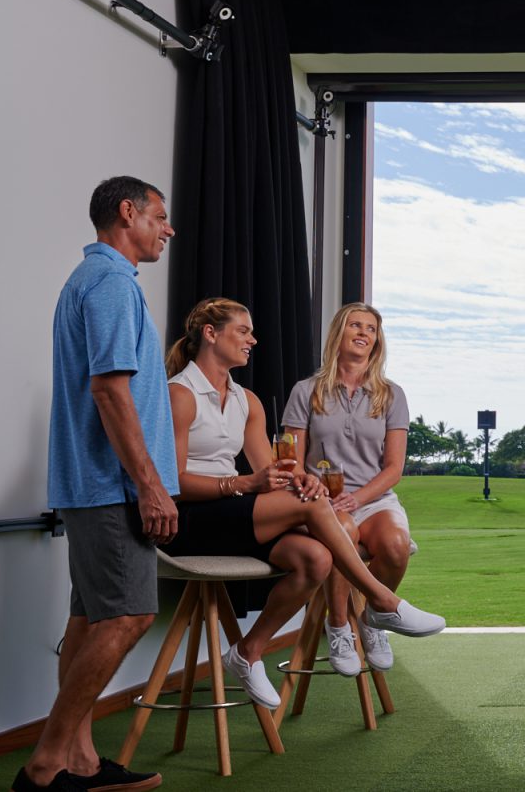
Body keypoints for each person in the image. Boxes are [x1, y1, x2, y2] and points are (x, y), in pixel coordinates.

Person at [162, 298, 445, 709]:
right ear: (211, 334)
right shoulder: (180, 394)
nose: (253, 340)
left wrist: (303, 481)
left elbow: (277, 470)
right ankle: (383, 602)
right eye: (243, 331)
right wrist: (245, 483)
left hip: (234, 514)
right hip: (191, 518)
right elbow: (173, 485)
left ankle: (246, 653)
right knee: (318, 509)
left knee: (316, 558)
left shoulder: (247, 401)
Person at [21, 176, 178, 792]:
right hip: (110, 488)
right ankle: (44, 763)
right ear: (127, 213)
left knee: (89, 622)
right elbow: (111, 390)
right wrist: (151, 485)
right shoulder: (111, 283)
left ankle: (80, 762)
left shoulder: (86, 281)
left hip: (90, 486)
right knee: (131, 616)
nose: (168, 229)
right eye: (160, 217)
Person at [283, 303, 418, 676]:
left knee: (395, 545)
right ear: (338, 334)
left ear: (377, 341)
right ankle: (339, 625)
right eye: (355, 325)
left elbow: (393, 469)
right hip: (322, 502)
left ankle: (374, 622)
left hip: (373, 499)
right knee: (342, 531)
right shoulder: (305, 391)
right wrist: (311, 487)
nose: (363, 333)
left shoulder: (391, 395)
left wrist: (358, 497)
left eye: (371, 329)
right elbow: (291, 460)